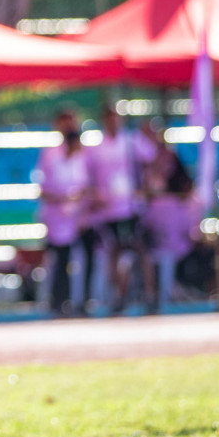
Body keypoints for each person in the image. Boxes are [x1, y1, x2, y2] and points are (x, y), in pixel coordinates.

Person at [84, 105, 157, 312]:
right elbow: (90, 178)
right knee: (114, 252)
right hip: (109, 209)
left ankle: (149, 294)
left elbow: (152, 160)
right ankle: (118, 295)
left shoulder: (132, 142)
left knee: (141, 250)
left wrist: (145, 187)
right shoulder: (97, 148)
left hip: (133, 207)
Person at [35, 107, 94, 317]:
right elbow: (44, 189)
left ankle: (83, 301)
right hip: (58, 218)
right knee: (60, 261)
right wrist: (63, 201)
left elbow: (88, 185)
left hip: (81, 218)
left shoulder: (84, 154)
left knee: (86, 259)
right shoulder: (51, 155)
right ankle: (59, 302)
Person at [141, 159, 203, 313]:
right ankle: (168, 296)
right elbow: (187, 230)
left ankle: (162, 295)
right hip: (174, 249)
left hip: (160, 248)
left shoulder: (154, 204)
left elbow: (146, 225)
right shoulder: (177, 203)